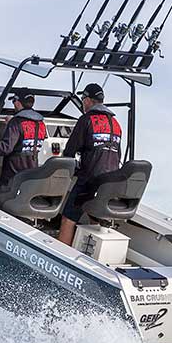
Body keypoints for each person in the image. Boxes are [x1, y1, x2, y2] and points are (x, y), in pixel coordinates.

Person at [58, 82, 123, 246]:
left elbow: (70, 151)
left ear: (87, 100)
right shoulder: (115, 124)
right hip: (110, 181)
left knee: (68, 217)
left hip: (90, 178)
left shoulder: (86, 120)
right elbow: (118, 154)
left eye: (82, 99)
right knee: (95, 215)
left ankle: (61, 253)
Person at [0, 89, 47, 192]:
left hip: (12, 178)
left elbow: (4, 148)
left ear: (17, 102)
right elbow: (28, 138)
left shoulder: (16, 123)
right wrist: (10, 126)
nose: (14, 104)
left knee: (2, 201)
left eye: (13, 101)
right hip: (30, 176)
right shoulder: (41, 123)